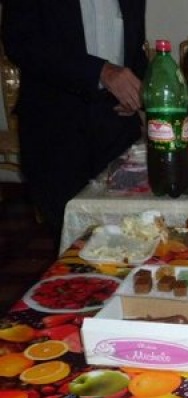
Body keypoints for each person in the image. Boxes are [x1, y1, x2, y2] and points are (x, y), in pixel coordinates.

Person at [1, 0, 147, 238]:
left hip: (116, 124)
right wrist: (101, 71)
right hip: (55, 128)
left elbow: (134, 49)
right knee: (71, 237)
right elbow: (20, 43)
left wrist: (137, 92)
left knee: (129, 231)